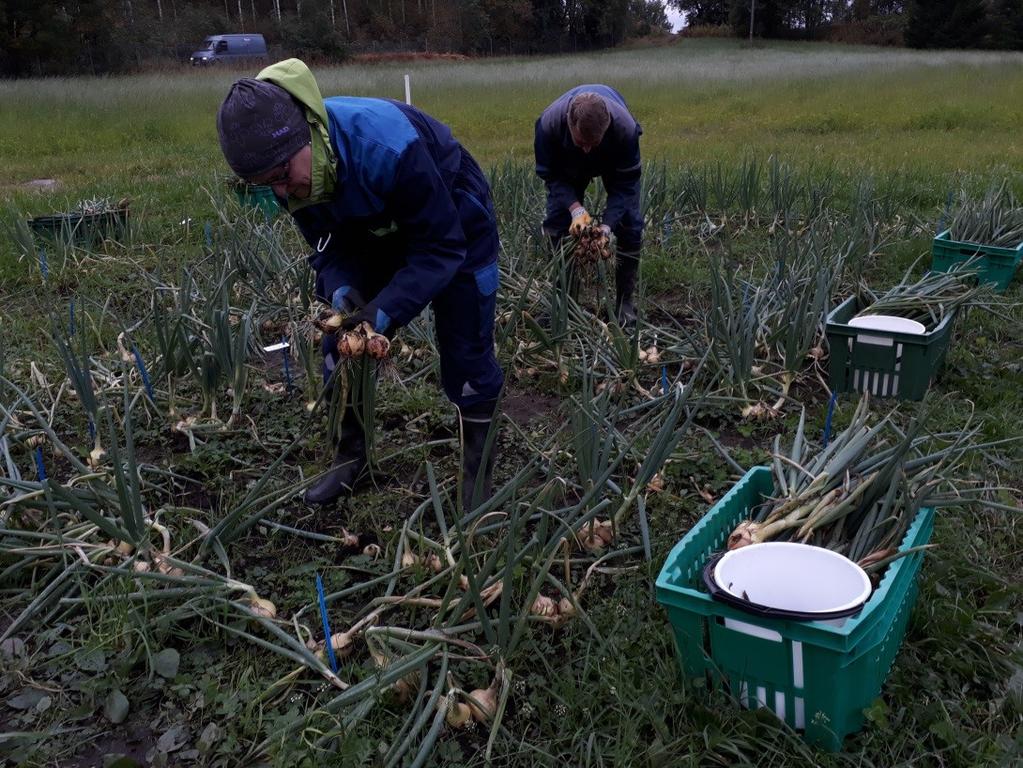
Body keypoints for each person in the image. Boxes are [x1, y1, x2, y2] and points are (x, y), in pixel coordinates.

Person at [216, 58, 502, 511]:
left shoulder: (386, 147)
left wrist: (382, 314)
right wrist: (345, 293)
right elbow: (330, 248)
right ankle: (352, 460)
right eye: (265, 185)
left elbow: (439, 249)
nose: (282, 193)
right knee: (339, 342)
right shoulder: (295, 178)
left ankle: (477, 473)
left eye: (281, 176)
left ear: (306, 136)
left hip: (454, 217)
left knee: (466, 351)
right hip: (373, 227)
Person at [534, 85, 643, 324]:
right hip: (566, 163)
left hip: (612, 160)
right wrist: (575, 209)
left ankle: (624, 303)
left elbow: (625, 186)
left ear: (606, 128)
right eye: (582, 141)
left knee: (630, 224)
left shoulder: (625, 130)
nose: (586, 149)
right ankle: (565, 301)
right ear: (568, 123)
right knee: (558, 223)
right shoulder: (548, 126)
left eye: (593, 143)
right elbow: (550, 175)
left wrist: (606, 227)